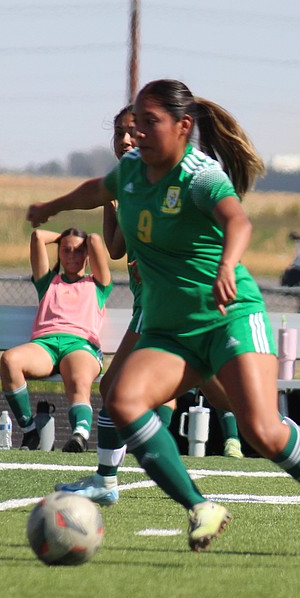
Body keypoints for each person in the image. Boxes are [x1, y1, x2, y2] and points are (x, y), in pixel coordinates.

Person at [27, 78, 300, 566]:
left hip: (229, 316)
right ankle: (201, 506)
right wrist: (52, 207)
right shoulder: (130, 172)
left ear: (183, 127)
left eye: (151, 123)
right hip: (171, 331)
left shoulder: (199, 174)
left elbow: (238, 221)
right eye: (134, 124)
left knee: (262, 432)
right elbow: (95, 188)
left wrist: (228, 266)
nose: (138, 134)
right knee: (123, 401)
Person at [42, 105, 245, 507]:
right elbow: (116, 247)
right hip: (152, 305)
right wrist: (109, 199)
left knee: (119, 387)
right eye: (119, 133)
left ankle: (109, 478)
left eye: (134, 131)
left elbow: (205, 227)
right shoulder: (128, 185)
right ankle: (297, 441)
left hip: (175, 304)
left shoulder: (165, 178)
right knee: (224, 396)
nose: (126, 140)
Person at [0, 227, 112, 452]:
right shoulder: (48, 281)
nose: (72, 256)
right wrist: (63, 237)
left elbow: (97, 239)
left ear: (87, 254)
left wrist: (83, 240)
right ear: (59, 253)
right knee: (10, 360)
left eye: (78, 251)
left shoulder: (97, 284)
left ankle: (80, 434)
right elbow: (38, 236)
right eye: (66, 251)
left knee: (78, 378)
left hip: (80, 345)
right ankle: (30, 431)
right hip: (45, 345)